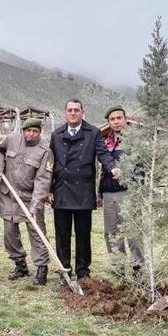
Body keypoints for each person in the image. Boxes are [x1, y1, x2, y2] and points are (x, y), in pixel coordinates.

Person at [49, 99, 117, 281]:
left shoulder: (93, 133)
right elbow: (50, 163)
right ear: (65, 112)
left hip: (83, 191)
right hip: (61, 190)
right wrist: (49, 188)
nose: (73, 113)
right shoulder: (56, 134)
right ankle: (64, 270)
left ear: (82, 113)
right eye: (70, 110)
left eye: (76, 110)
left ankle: (83, 271)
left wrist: (112, 167)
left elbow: (103, 154)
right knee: (62, 234)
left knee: (83, 234)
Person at [0, 117, 52, 284]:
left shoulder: (45, 152)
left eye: (35, 131)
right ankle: (20, 265)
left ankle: (42, 268)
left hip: (30, 198)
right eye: (28, 131)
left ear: (40, 132)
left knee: (37, 233)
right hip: (8, 195)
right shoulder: (12, 139)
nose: (31, 135)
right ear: (23, 131)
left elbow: (43, 180)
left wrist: (35, 206)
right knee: (10, 233)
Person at [97, 105, 143, 279]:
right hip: (109, 194)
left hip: (129, 193)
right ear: (108, 123)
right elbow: (103, 169)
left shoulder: (135, 141)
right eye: (112, 119)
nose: (116, 122)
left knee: (133, 232)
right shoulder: (105, 142)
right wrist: (100, 192)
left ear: (125, 119)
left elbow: (142, 168)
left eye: (119, 118)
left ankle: (138, 269)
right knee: (111, 233)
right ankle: (118, 269)